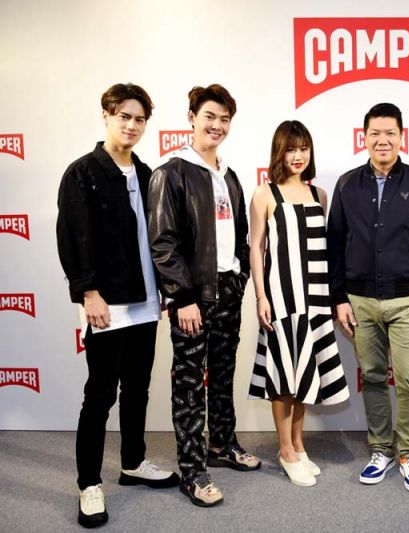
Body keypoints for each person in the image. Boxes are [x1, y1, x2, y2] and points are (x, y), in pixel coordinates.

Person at [56, 83, 179, 528]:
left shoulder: (147, 173)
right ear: (107, 115)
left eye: (139, 119)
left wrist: (166, 288)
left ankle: (132, 462)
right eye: (124, 116)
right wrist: (88, 292)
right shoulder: (82, 172)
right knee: (100, 394)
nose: (131, 125)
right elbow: (72, 237)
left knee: (138, 389)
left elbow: (158, 238)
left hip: (146, 302)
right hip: (107, 303)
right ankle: (89, 483)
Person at [148, 84, 261, 507]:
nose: (217, 125)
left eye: (224, 119)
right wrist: (181, 298)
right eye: (209, 116)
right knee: (190, 384)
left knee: (224, 374)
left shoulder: (228, 174)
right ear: (192, 118)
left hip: (228, 290)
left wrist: (242, 276)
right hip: (193, 297)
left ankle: (222, 444)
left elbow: (239, 236)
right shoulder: (171, 172)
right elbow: (163, 243)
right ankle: (192, 471)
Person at [327, 102, 409, 493]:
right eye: (375, 133)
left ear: (401, 137)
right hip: (359, 302)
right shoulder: (347, 184)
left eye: (390, 133)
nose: (382, 140)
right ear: (364, 138)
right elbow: (335, 244)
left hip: (408, 301)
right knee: (374, 378)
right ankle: (380, 450)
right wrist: (339, 298)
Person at [247, 120, 349, 487]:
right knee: (283, 374)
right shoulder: (265, 194)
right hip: (281, 297)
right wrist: (261, 296)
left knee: (305, 373)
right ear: (279, 151)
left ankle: (299, 445)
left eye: (303, 148)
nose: (298, 155)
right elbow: (256, 248)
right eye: (291, 148)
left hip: (316, 298)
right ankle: (285, 450)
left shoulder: (319, 194)